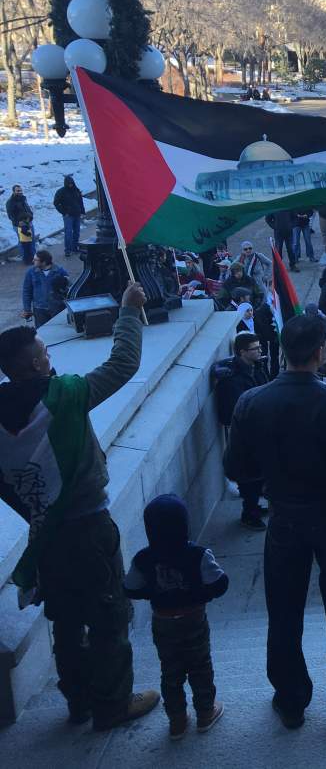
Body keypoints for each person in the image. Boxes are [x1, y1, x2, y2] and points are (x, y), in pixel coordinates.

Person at [0, 282, 161, 729]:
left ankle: (78, 699)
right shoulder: (65, 396)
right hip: (88, 526)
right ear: (36, 364)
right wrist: (128, 310)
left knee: (66, 619)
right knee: (108, 614)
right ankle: (114, 704)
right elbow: (123, 363)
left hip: (45, 532)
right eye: (44, 352)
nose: (49, 356)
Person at [224, 314, 326, 733]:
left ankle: (291, 700)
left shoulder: (252, 402)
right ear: (320, 352)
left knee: (284, 614)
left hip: (285, 519)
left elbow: (237, 467)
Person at [123, 494, 229, 740]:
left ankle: (177, 721)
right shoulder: (198, 554)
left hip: (163, 621)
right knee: (200, 665)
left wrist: (152, 592)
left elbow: (130, 588)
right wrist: (203, 595)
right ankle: (205, 712)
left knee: (170, 670)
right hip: (194, 618)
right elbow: (220, 583)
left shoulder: (143, 559)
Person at [212, 332, 271, 529]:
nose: (260, 351)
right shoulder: (231, 378)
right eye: (256, 348)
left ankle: (254, 506)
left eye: (260, 347)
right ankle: (249, 514)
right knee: (249, 475)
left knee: (260, 472)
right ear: (242, 352)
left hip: (261, 428)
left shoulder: (257, 368)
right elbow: (233, 409)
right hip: (246, 434)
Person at [22, 249, 69, 328]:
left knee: (58, 330)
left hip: (57, 309)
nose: (33, 261)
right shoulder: (31, 272)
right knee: (42, 332)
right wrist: (27, 309)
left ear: (44, 262)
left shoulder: (60, 271)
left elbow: (69, 289)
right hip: (40, 310)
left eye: (36, 260)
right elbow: (26, 291)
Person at [53, 174, 85, 256]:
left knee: (77, 232)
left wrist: (82, 211)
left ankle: (75, 247)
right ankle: (68, 250)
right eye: (69, 183)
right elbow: (56, 203)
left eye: (71, 183)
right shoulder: (61, 191)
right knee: (68, 233)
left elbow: (80, 201)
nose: (70, 185)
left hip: (77, 214)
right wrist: (64, 212)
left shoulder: (76, 190)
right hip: (68, 216)